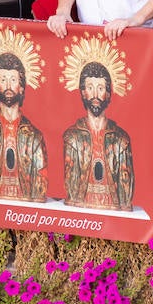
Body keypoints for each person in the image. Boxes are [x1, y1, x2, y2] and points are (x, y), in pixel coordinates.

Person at [0, 52, 48, 203]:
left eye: (13, 80)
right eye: (3, 80)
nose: (8, 86)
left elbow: (41, 179)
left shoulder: (34, 136)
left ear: (21, 87)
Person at [62, 58, 134, 212]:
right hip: (80, 207)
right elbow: (70, 181)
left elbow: (125, 184)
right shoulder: (72, 137)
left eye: (100, 88)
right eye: (90, 87)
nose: (95, 94)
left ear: (108, 94)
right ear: (83, 92)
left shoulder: (121, 139)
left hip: (113, 208)